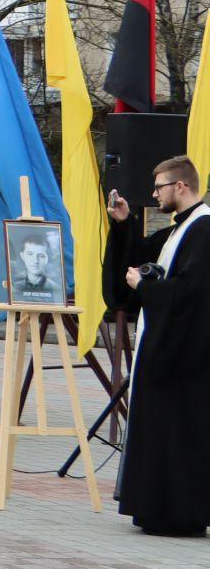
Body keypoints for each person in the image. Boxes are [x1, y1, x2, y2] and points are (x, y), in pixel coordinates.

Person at [105, 157, 210, 536]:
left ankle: (179, 514)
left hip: (185, 358)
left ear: (181, 187)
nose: (154, 194)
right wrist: (124, 224)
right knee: (161, 435)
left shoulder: (203, 229)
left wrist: (144, 287)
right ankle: (156, 509)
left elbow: (192, 294)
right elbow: (143, 254)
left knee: (179, 437)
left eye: (160, 187)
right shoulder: (181, 229)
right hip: (164, 351)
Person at [10, 230, 62, 301]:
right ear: (22, 256)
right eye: (30, 254)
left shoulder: (56, 289)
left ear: (47, 258)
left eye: (41, 255)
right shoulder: (15, 288)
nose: (35, 261)